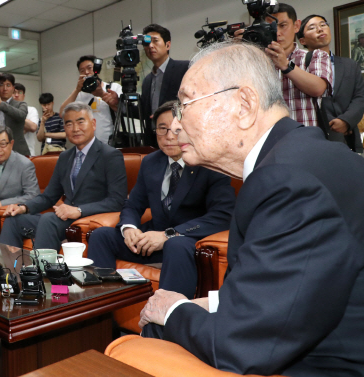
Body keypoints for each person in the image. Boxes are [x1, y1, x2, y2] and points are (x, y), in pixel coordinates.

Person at [139, 41, 364, 376]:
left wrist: (173, 310)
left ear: (243, 104)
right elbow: (296, 284)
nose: (176, 124)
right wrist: (211, 303)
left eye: (185, 104)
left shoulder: (285, 179)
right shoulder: (301, 156)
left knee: (156, 332)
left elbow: (242, 345)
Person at [87, 101, 235, 299]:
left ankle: (167, 321)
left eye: (176, 129)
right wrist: (129, 227)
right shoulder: (151, 162)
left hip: (188, 241)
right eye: (162, 129)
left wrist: (169, 235)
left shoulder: (209, 161)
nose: (169, 137)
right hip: (150, 240)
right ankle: (102, 305)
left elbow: (223, 215)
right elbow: (133, 204)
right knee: (101, 236)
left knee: (175, 245)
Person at [0, 102, 127, 251]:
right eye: (69, 124)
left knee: (49, 219)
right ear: (65, 128)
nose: (75, 129)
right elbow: (48, 197)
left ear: (93, 124)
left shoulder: (110, 155)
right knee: (13, 220)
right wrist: (23, 208)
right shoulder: (65, 157)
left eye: (80, 122)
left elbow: (117, 201)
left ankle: (41, 272)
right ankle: (8, 271)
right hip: (63, 219)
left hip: (89, 217)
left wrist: (78, 210)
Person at [238, 3, 332, 128]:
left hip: (305, 137)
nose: (277, 32)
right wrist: (238, 51)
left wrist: (286, 65)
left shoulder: (315, 56)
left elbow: (318, 88)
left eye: (282, 25)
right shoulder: (255, 62)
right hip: (270, 138)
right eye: (270, 26)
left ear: (296, 26)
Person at [108, 24, 189, 148]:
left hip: (179, 136)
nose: (150, 46)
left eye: (155, 41)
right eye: (147, 43)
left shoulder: (184, 69)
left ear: (168, 45)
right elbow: (144, 112)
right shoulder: (147, 80)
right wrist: (118, 104)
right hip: (153, 140)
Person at [298, 14, 364, 153]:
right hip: (312, 135)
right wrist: (331, 123)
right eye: (312, 27)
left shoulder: (350, 65)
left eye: (323, 25)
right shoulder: (298, 69)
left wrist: (346, 121)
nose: (320, 29)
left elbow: (360, 97)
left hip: (347, 137)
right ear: (302, 40)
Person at [59, 55, 123, 144]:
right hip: (87, 145)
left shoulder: (113, 88)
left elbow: (123, 110)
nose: (86, 72)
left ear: (97, 69)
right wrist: (77, 89)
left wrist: (102, 94)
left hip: (110, 143)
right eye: (82, 71)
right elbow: (62, 113)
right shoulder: (79, 94)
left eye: (90, 68)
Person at [13, 83, 39, 156]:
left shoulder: (31, 110)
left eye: (20, 92)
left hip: (28, 152)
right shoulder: (5, 110)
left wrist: (14, 113)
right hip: (9, 153)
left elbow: (33, 127)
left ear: (23, 96)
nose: (17, 95)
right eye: (14, 92)